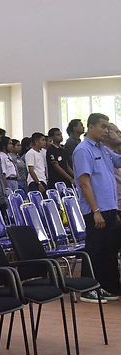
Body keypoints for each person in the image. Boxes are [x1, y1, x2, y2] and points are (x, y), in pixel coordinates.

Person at [73, 113, 121, 302]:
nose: (106, 131)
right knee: (94, 250)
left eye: (108, 127)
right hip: (96, 210)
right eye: (103, 127)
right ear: (90, 127)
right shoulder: (83, 150)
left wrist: (116, 139)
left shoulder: (103, 149)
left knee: (107, 250)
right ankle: (87, 289)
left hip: (109, 208)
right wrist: (96, 211)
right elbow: (84, 183)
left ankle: (101, 286)